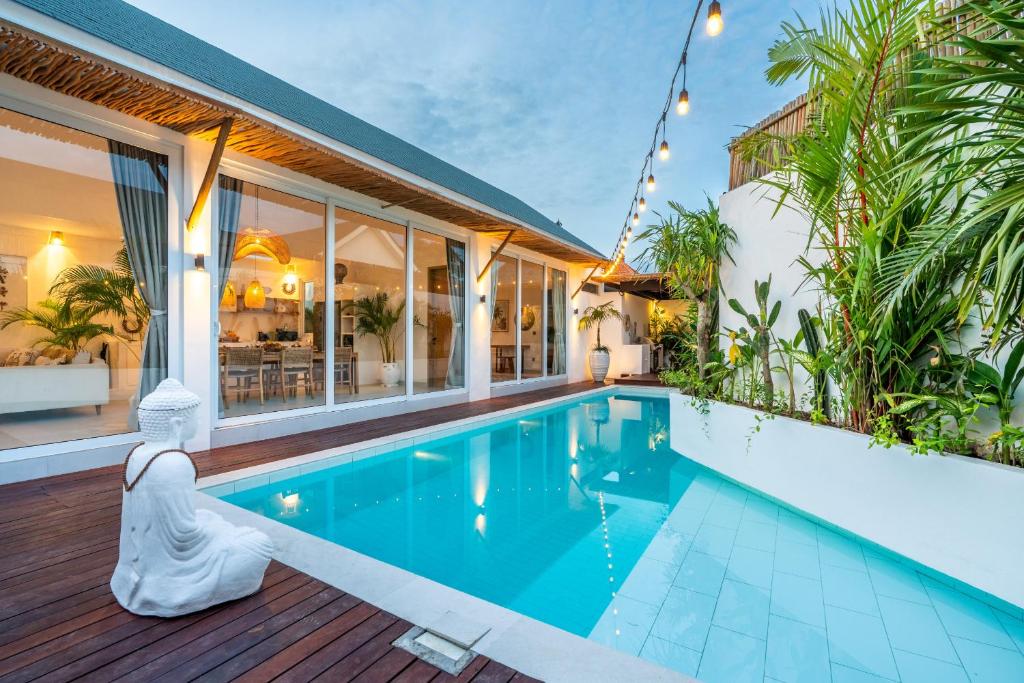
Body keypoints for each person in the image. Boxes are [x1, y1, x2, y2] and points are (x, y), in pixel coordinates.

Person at [110, 379, 273, 616]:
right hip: (171, 571)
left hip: (137, 566)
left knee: (210, 516)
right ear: (177, 424)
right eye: (195, 417)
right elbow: (183, 535)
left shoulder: (136, 454)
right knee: (260, 544)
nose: (199, 421)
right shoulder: (174, 462)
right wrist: (219, 532)